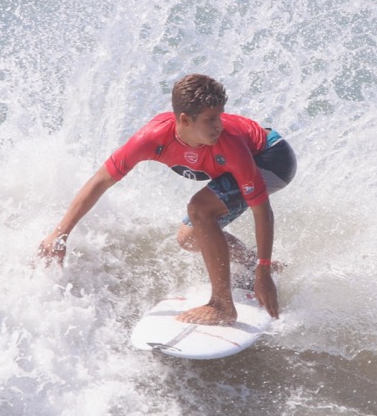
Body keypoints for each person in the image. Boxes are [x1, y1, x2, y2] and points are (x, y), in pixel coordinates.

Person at [38, 74, 297, 326]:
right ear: (184, 120)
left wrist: (264, 274)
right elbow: (101, 180)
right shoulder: (151, 139)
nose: (219, 125)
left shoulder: (228, 143)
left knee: (201, 210)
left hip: (271, 160)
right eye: (210, 119)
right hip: (250, 158)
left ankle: (222, 306)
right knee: (189, 237)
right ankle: (251, 263)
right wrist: (60, 234)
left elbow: (262, 209)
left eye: (220, 115)